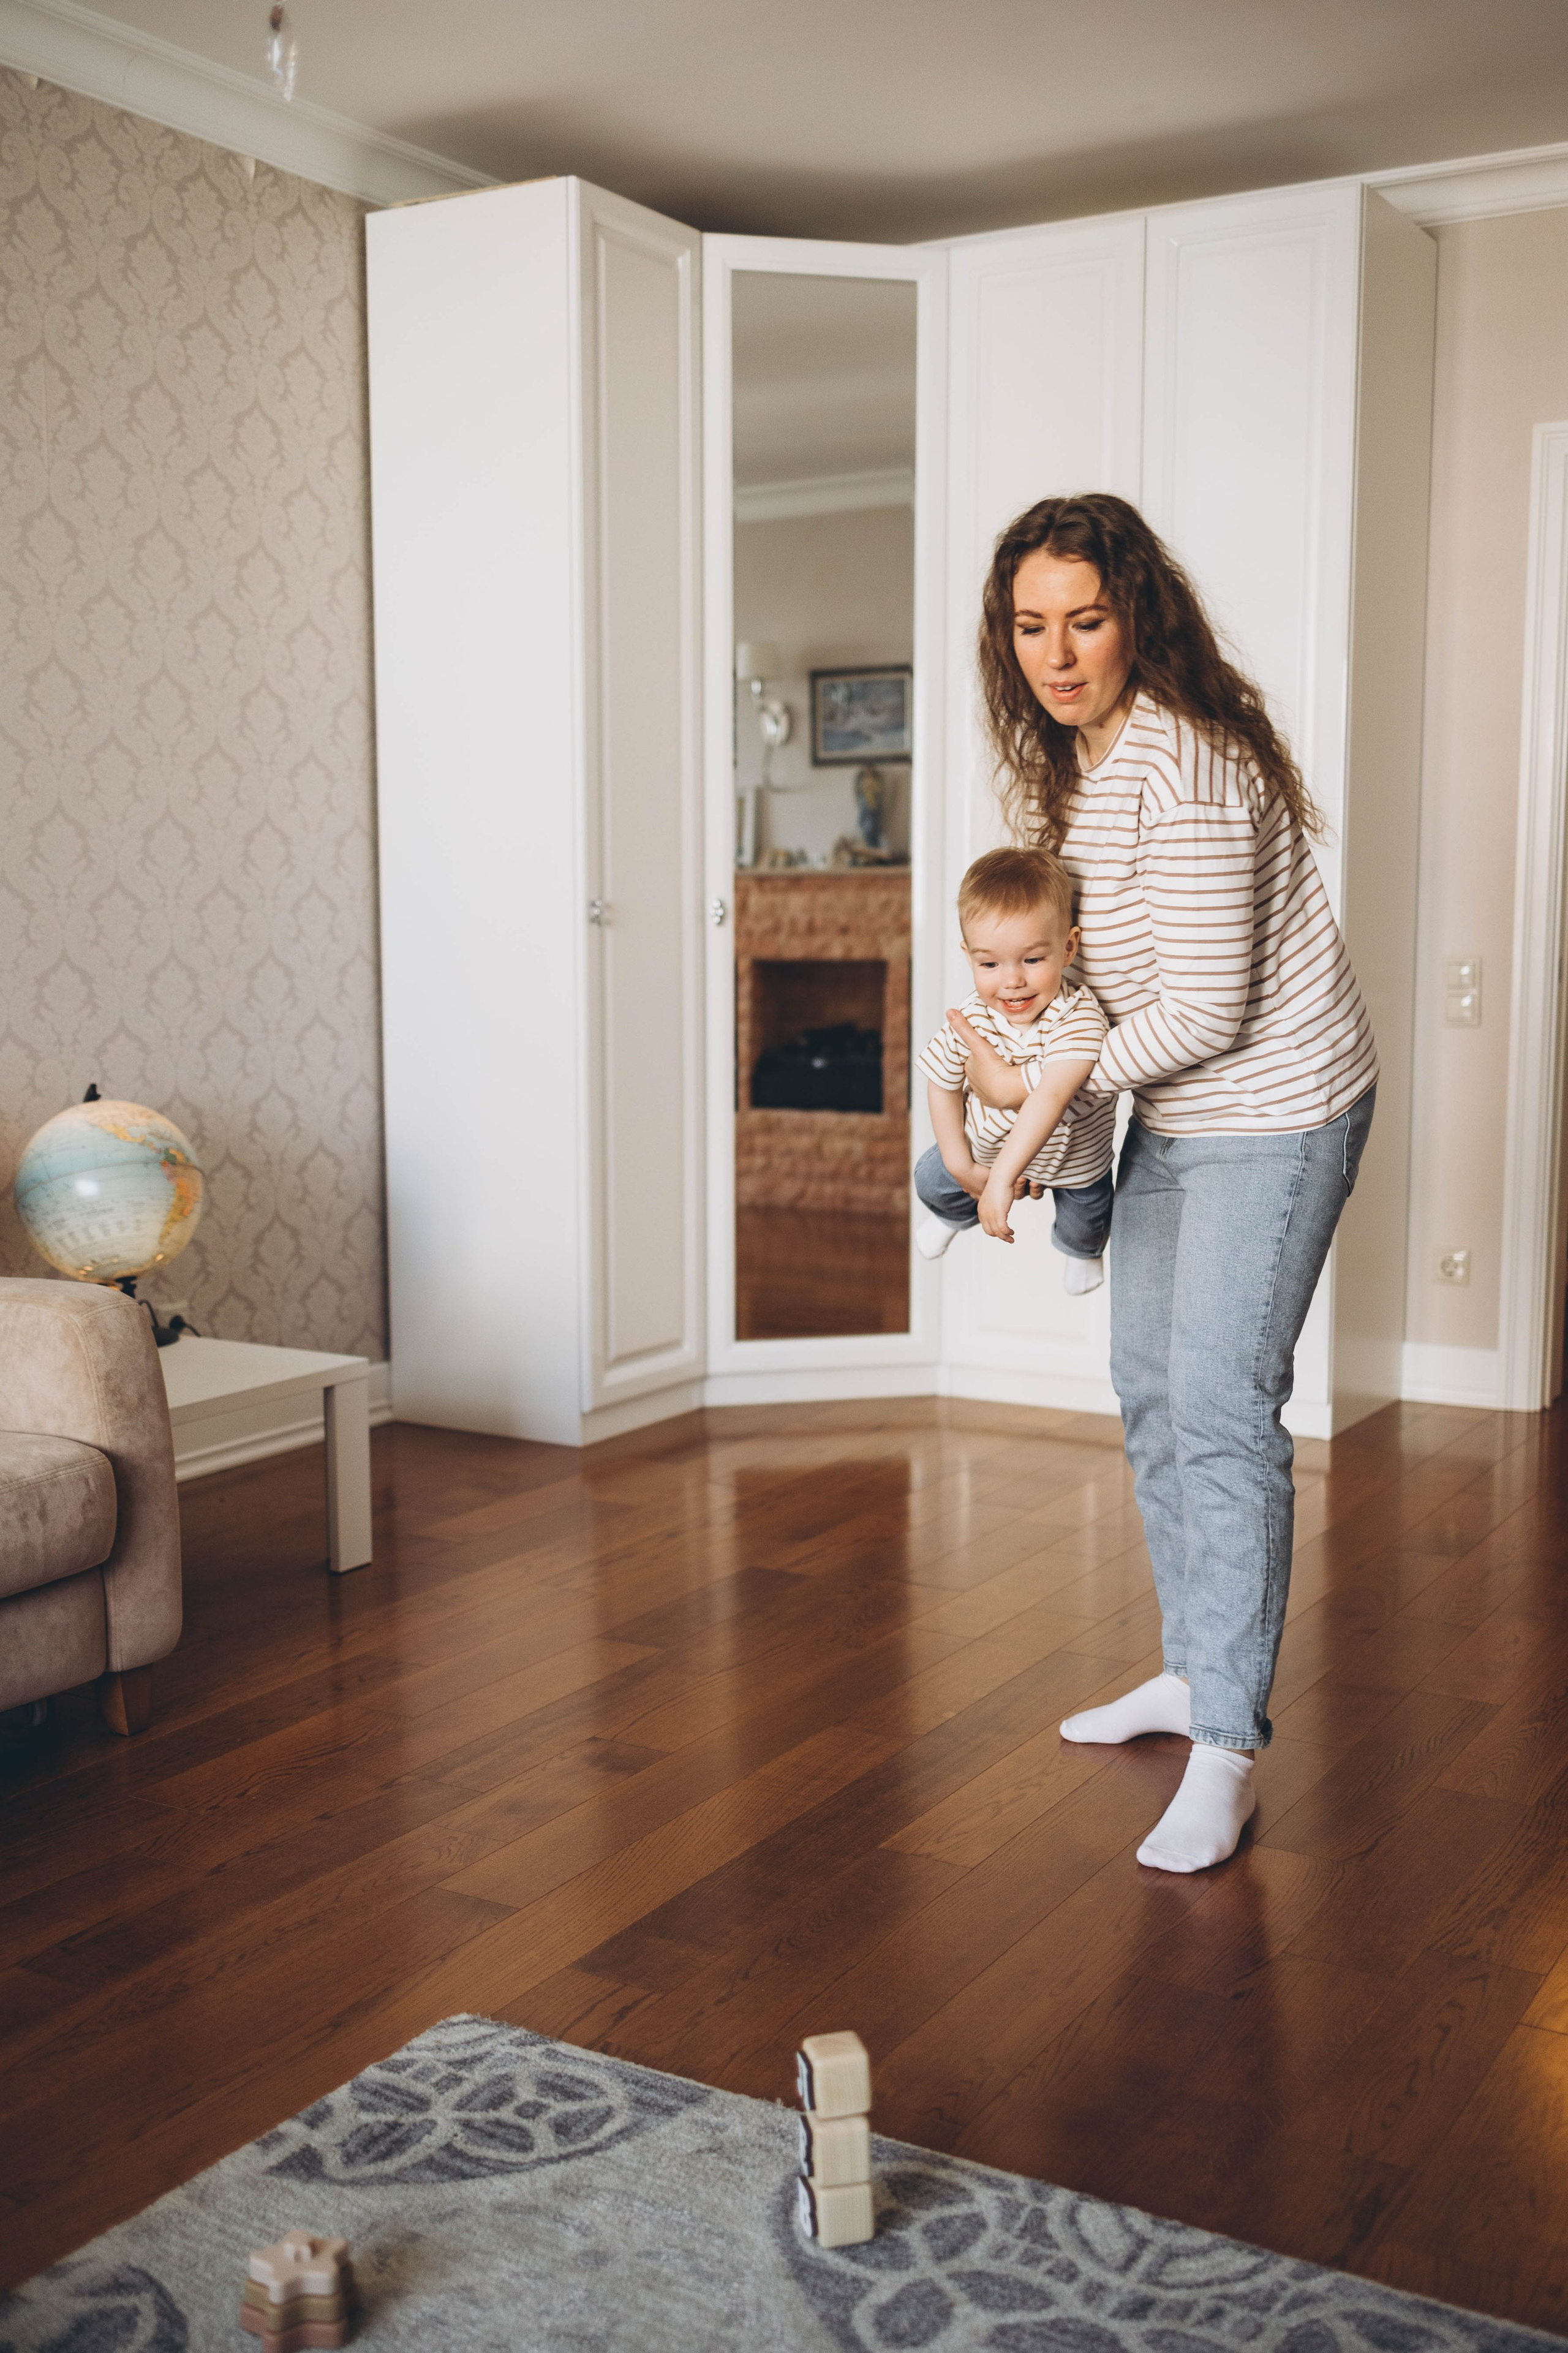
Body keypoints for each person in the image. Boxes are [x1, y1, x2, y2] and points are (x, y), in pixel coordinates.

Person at [957, 492, 1377, 1875]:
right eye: (1030, 625)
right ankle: (1194, 1672)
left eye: (1084, 619)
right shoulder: (1082, 762)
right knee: (1147, 1386)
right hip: (1177, 1114)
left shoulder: (1184, 767)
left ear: (1136, 614)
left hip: (1275, 1110)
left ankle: (1228, 1749)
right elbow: (1088, 975)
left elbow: (1200, 1011)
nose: (1057, 652)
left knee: (1217, 1404)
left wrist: (1041, 1101)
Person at [913, 847, 1116, 1291]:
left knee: (1089, 1213)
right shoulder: (972, 1017)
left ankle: (1080, 1250)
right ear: (969, 957)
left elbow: (1050, 1095)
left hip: (1073, 1160)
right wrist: (962, 1165)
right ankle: (953, 1216)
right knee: (930, 1178)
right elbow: (941, 1084)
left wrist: (1004, 1179)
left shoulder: (1079, 1015)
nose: (1012, 981)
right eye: (989, 964)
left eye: (1032, 960)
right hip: (988, 1156)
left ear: (1068, 947)